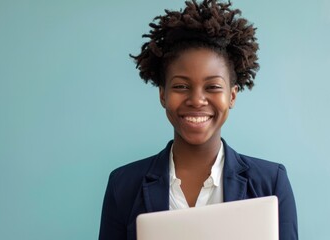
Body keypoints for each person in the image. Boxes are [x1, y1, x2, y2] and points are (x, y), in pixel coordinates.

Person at [98, 0, 298, 240]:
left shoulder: (270, 183)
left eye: (212, 86)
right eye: (181, 86)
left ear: (231, 95)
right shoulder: (124, 185)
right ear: (162, 94)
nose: (196, 100)